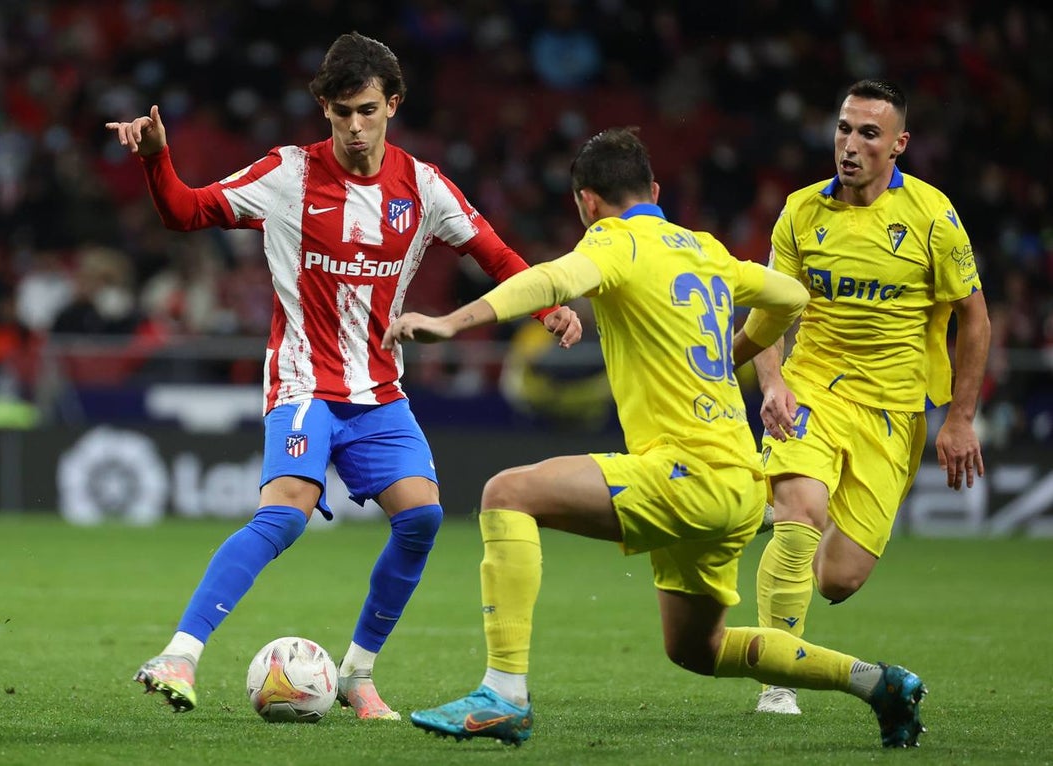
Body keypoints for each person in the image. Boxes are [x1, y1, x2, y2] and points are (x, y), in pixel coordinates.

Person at [382, 127, 927, 748]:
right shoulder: (703, 249)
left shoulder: (614, 241)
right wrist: (736, 353)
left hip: (687, 474)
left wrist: (453, 322)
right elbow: (792, 294)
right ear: (656, 190)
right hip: (741, 486)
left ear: (586, 202)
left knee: (507, 492)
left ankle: (503, 694)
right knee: (699, 648)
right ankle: (876, 682)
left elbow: (550, 282)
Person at [104, 31, 583, 720]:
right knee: (286, 513)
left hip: (378, 391)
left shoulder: (423, 187)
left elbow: (497, 254)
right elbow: (185, 210)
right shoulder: (287, 175)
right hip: (302, 381)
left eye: (366, 110)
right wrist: (157, 161)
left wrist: (548, 305)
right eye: (340, 114)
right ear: (324, 111)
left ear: (393, 103)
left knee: (420, 518)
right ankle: (180, 653)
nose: (355, 128)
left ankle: (358, 675)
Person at [742, 79, 990, 716]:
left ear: (898, 144)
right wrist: (772, 381)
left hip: (893, 412)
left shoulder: (933, 216)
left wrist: (959, 418)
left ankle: (786, 540)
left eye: (869, 134)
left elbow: (976, 317)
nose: (850, 145)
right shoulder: (800, 210)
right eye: (844, 129)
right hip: (813, 392)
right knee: (797, 516)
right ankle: (778, 681)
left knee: (838, 580)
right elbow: (768, 306)